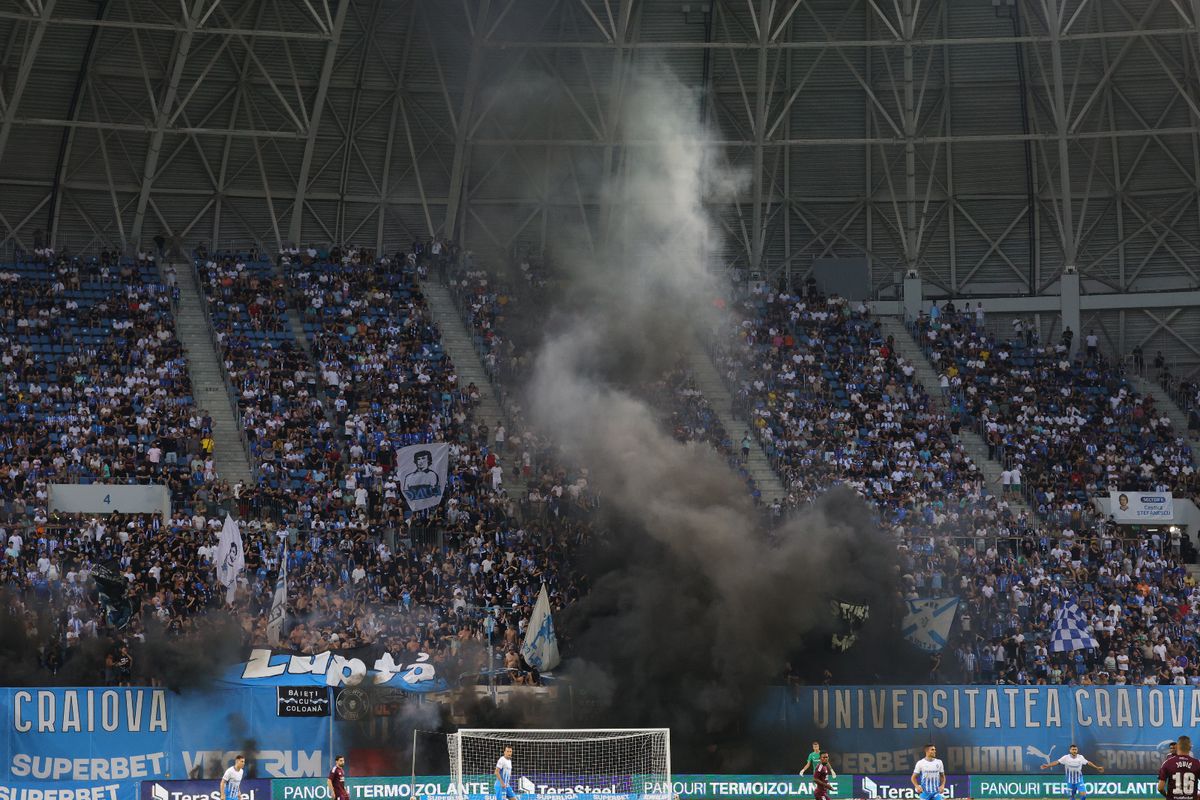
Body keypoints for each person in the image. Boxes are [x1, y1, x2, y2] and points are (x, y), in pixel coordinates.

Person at [1039, 744, 1103, 800]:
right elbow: (1056, 762)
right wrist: (1047, 765)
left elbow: (1088, 762)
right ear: (1070, 750)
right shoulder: (1065, 758)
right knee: (1072, 797)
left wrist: (1097, 767)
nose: (1074, 751)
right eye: (1073, 749)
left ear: (1077, 750)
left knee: (1083, 796)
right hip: (1070, 781)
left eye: (1075, 749)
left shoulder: (1080, 757)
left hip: (1079, 780)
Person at [1159, 736, 1200, 800]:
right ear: (1190, 747)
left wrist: (1168, 796)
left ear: (1177, 747)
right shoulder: (1197, 763)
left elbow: (1160, 788)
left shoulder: (1167, 763)